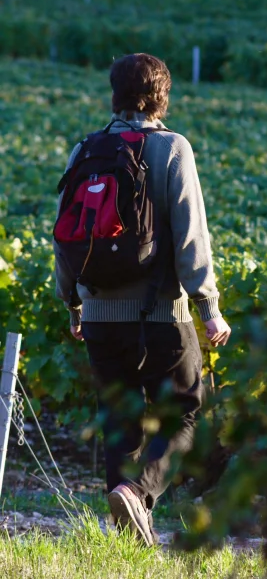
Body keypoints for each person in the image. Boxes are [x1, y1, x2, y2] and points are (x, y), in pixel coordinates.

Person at [53, 52, 231, 546]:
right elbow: (191, 235)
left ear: (114, 95)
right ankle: (139, 493)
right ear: (162, 97)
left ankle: (127, 529)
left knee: (118, 415)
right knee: (185, 410)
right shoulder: (173, 149)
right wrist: (209, 308)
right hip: (160, 315)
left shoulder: (85, 150)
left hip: (100, 315)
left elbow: (64, 237)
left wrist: (73, 303)